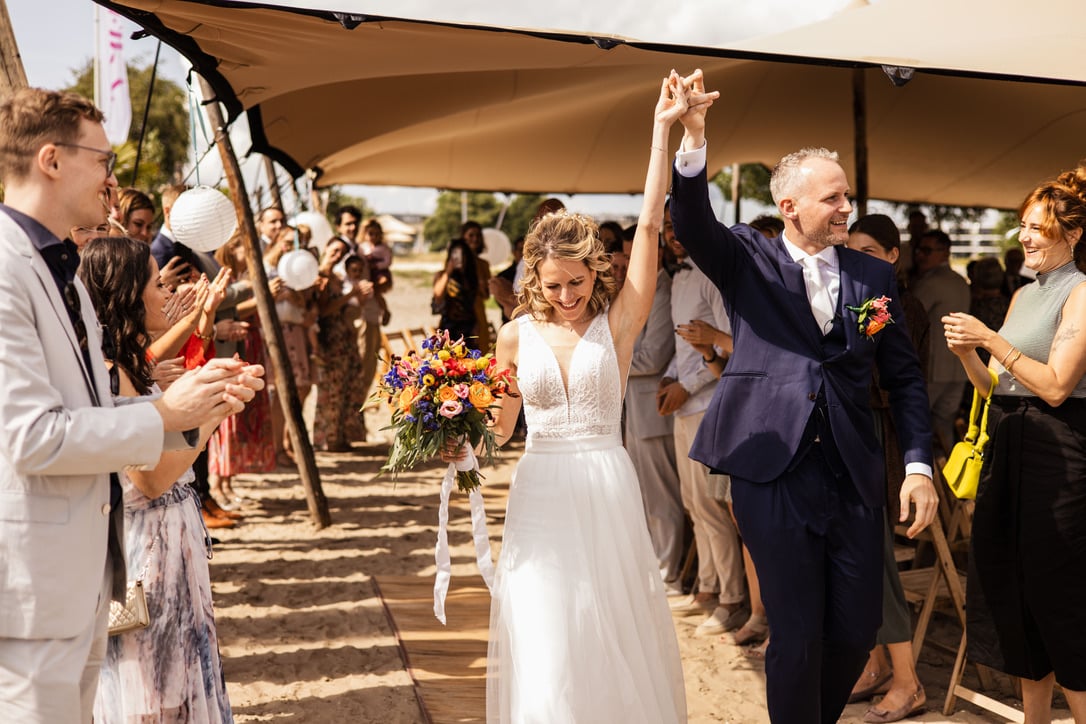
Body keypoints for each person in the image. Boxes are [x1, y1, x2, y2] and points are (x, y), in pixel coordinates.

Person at [669, 69, 936, 724]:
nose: (846, 208)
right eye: (832, 199)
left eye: (847, 197)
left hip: (852, 471)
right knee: (793, 629)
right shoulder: (746, 260)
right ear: (788, 206)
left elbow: (901, 376)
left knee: (855, 626)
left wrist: (919, 466)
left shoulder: (873, 276)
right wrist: (693, 136)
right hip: (773, 469)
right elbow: (692, 218)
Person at [0, 86, 262, 723]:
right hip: (34, 587)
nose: (113, 183)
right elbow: (30, 437)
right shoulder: (8, 268)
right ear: (52, 160)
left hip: (91, 579)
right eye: (104, 160)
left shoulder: (61, 269)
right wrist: (170, 415)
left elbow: (96, 408)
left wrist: (189, 406)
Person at [444, 71, 689, 723]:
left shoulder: (620, 323)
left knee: (605, 627)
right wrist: (459, 441)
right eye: (552, 285)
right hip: (541, 490)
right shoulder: (513, 336)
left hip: (605, 483)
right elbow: (499, 427)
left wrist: (663, 132)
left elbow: (648, 223)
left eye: (577, 282)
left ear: (594, 272)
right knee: (545, 631)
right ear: (534, 277)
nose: (566, 296)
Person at [942, 166, 1086, 724]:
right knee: (1015, 591)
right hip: (1010, 446)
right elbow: (994, 387)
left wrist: (990, 338)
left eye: (1038, 228)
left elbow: (1054, 387)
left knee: (1061, 596)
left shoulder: (1079, 294)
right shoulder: (1024, 293)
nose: (1024, 237)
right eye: (1022, 225)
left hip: (1059, 455)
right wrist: (966, 354)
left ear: (1072, 236)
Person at [79, 235, 236, 723]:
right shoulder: (110, 374)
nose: (166, 292)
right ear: (128, 296)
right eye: (155, 283)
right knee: (157, 684)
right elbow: (149, 481)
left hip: (169, 541)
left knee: (179, 672)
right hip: (148, 551)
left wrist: (190, 325)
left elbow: (148, 376)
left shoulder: (124, 365)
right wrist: (215, 411)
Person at [845, 214, 931, 723]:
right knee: (859, 560)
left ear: (894, 257)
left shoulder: (892, 305)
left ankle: (907, 680)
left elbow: (887, 376)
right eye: (852, 251)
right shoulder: (862, 300)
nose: (859, 261)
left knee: (876, 563)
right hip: (864, 440)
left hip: (888, 446)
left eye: (871, 252)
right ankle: (874, 666)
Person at [910, 229, 971, 452]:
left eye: (927, 250)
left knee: (916, 426)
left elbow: (909, 320)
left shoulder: (930, 283)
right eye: (919, 250)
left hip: (933, 370)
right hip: (958, 369)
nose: (920, 255)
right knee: (944, 428)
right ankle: (950, 482)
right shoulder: (961, 282)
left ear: (945, 253)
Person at [432, 238, 481, 343]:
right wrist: (448, 272)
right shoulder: (442, 275)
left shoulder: (470, 277)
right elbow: (437, 296)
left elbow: (475, 300)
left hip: (469, 326)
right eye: (455, 254)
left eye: (461, 254)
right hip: (449, 326)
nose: (458, 258)